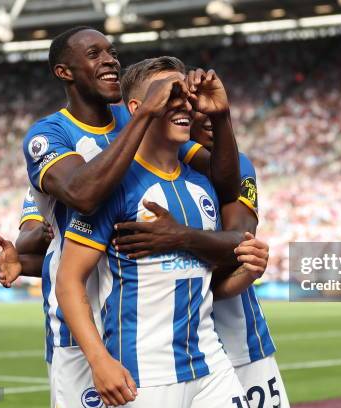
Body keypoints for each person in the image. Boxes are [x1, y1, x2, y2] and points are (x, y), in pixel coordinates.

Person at [0, 26, 241, 408]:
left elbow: (224, 178)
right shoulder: (49, 135)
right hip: (78, 329)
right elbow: (82, 197)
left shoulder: (149, 124)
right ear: (65, 72)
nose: (110, 60)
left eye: (111, 51)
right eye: (94, 54)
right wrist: (24, 261)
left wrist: (219, 119)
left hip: (143, 318)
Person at [56, 56, 250, 407]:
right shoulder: (112, 185)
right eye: (170, 94)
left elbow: (208, 268)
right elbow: (69, 281)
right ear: (137, 107)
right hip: (144, 376)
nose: (184, 105)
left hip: (211, 365)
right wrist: (100, 362)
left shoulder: (202, 184)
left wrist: (221, 115)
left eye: (186, 96)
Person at [114, 109, 290, 407]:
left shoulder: (238, 167)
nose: (209, 121)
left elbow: (241, 239)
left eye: (218, 113)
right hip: (167, 356)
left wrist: (178, 236)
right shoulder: (131, 176)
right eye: (197, 112)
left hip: (240, 342)